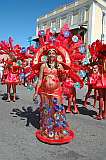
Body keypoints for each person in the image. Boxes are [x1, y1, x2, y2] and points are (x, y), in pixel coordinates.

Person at [33, 47, 74, 144]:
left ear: (56, 55)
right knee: (47, 110)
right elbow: (39, 79)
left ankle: (58, 131)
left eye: (53, 53)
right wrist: (36, 92)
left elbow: (63, 78)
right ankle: (47, 130)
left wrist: (62, 71)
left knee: (57, 110)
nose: (51, 55)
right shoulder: (43, 65)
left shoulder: (59, 65)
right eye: (49, 53)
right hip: (44, 91)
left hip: (56, 91)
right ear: (47, 55)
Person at [89, 44, 106, 120]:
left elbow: (93, 64)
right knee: (105, 98)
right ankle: (105, 113)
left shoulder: (100, 60)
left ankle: (100, 114)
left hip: (101, 79)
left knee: (101, 97)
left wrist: (88, 64)